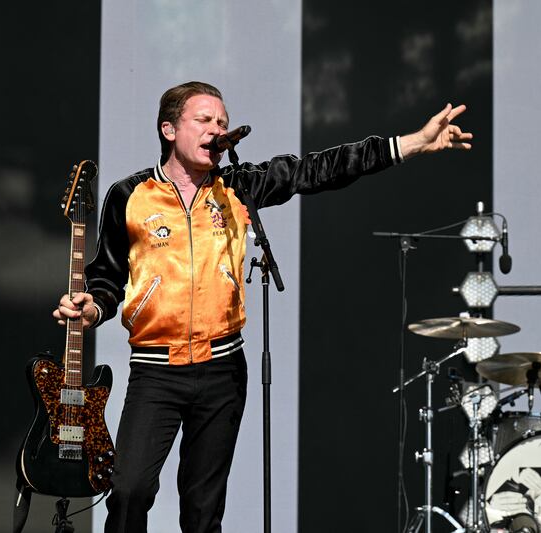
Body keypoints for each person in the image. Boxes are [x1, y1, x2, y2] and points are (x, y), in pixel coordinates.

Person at [52, 81, 473, 533]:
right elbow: (107, 277)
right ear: (169, 129)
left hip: (222, 370)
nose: (217, 129)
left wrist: (412, 143)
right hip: (156, 370)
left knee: (202, 509)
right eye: (204, 120)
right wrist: (93, 308)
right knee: (129, 491)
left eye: (222, 122)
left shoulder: (238, 187)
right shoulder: (130, 195)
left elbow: (320, 168)